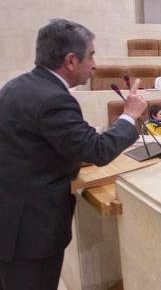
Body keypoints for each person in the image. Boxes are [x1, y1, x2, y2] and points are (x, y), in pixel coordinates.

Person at [0, 19, 145, 290]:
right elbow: (97, 150)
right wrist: (130, 115)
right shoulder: (54, 99)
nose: (94, 64)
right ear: (70, 61)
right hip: (30, 230)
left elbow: (38, 146)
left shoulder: (16, 86)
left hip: (11, 220)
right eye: (90, 55)